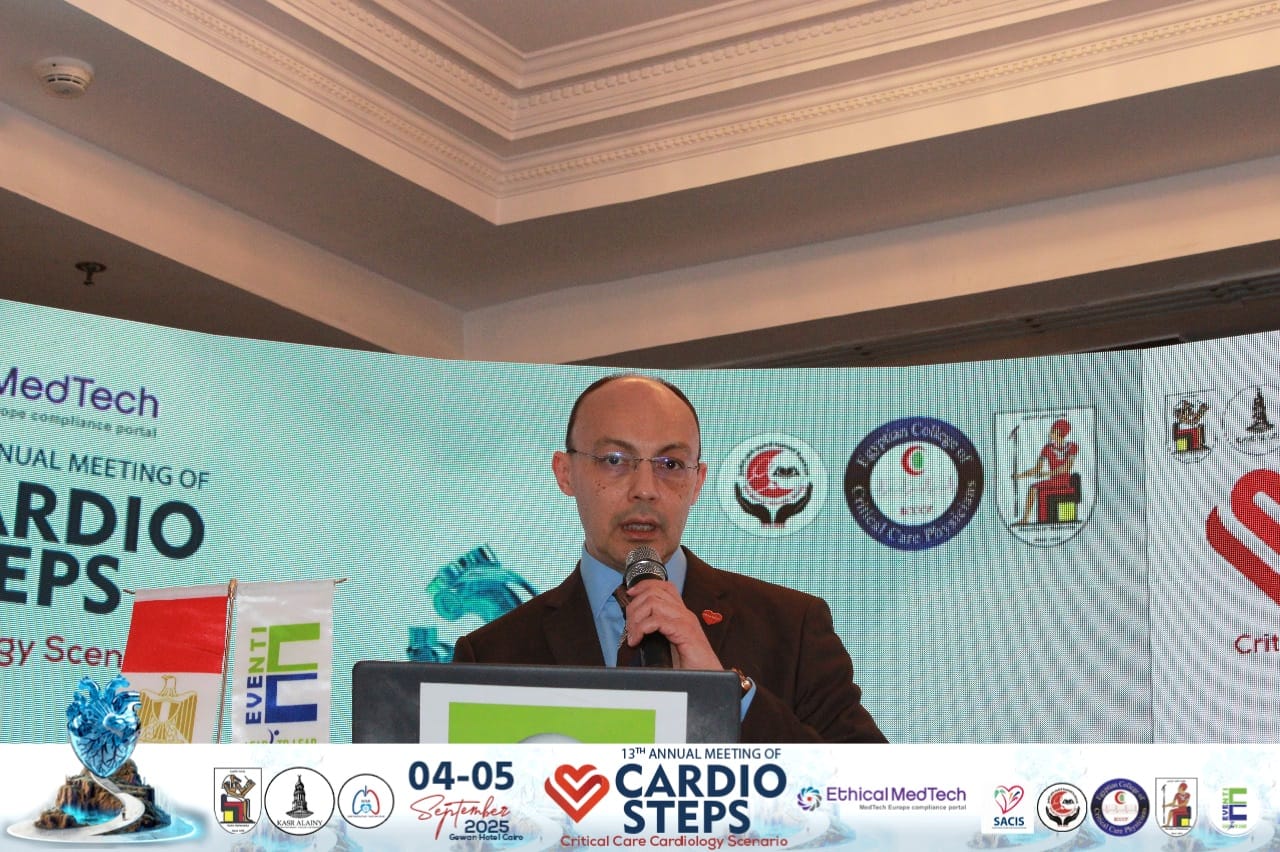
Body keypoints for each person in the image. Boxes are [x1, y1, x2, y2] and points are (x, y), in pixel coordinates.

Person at [453, 373, 885, 743]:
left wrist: (729, 694)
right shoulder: (491, 654)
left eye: (671, 464)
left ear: (697, 482)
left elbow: (868, 792)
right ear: (565, 473)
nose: (645, 489)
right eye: (614, 460)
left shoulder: (791, 627)